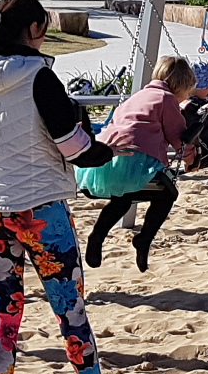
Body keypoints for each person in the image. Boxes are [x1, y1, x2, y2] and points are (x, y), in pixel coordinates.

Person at [0, 0, 128, 374]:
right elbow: (71, 145)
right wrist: (107, 151)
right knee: (68, 305)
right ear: (34, 30)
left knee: (3, 312)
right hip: (38, 206)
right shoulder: (38, 74)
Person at [86, 54, 201, 271]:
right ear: (181, 85)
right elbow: (179, 138)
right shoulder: (166, 99)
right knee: (168, 195)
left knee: (122, 199)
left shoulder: (138, 96)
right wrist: (191, 160)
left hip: (109, 157)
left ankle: (97, 236)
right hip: (138, 159)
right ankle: (144, 239)